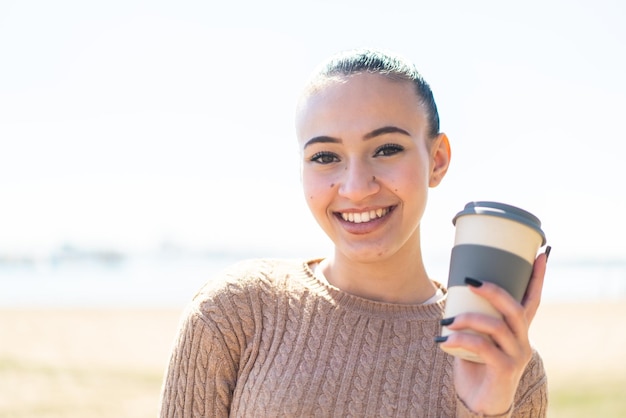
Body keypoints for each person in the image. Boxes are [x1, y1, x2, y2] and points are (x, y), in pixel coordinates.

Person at [158, 48, 551, 417]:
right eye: (325, 157)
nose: (357, 187)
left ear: (437, 160)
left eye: (386, 149)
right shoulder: (234, 312)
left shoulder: (510, 367)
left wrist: (485, 408)